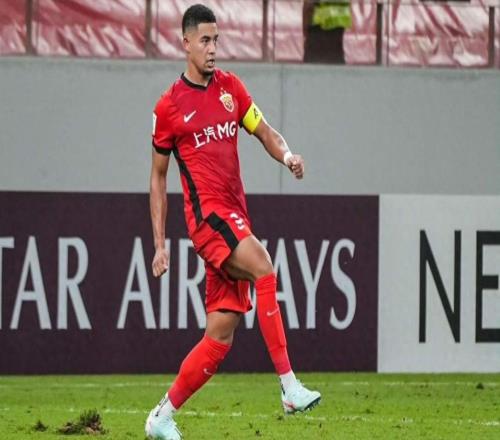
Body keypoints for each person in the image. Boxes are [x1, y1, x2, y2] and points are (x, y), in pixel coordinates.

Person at [145, 4, 321, 440]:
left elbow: (265, 131)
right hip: (208, 221)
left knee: (219, 337)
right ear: (186, 43)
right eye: (204, 40)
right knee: (264, 266)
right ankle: (289, 386)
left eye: (216, 40)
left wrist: (287, 156)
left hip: (234, 215)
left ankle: (161, 417)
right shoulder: (169, 107)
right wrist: (160, 244)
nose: (212, 48)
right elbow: (158, 177)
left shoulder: (231, 89)